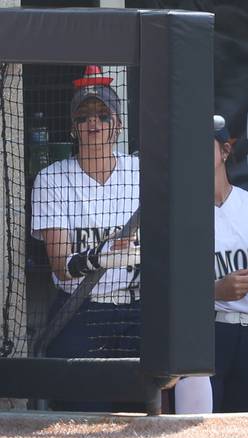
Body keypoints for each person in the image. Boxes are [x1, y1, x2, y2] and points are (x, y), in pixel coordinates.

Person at [31, 66, 141, 412]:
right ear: (73, 127)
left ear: (118, 124)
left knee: (140, 417)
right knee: (79, 416)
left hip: (137, 308)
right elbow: (62, 267)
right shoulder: (52, 179)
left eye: (102, 115)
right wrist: (103, 253)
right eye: (83, 117)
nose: (93, 123)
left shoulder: (141, 171)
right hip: (80, 309)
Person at [175, 116, 248, 414]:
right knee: (197, 430)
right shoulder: (178, 213)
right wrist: (214, 290)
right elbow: (167, 290)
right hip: (204, 333)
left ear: (225, 151)